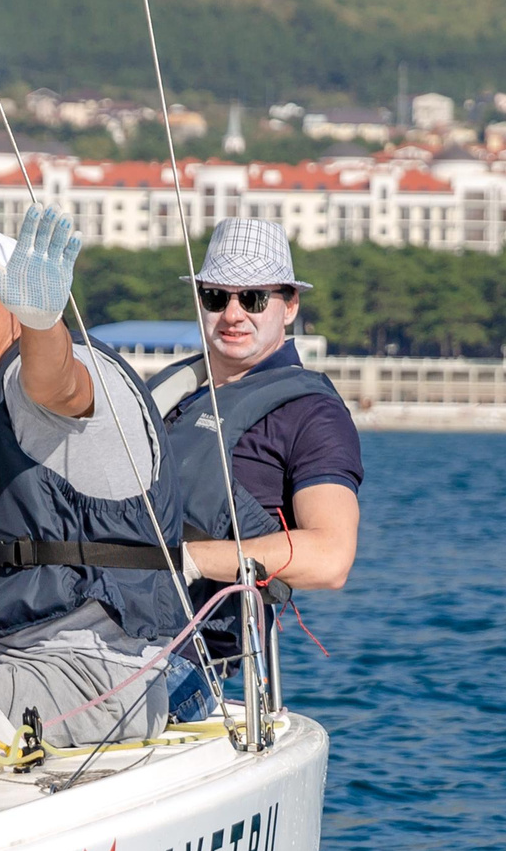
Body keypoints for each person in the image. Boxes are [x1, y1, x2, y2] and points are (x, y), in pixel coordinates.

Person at [0, 204, 205, 747]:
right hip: (14, 653)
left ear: (15, 304)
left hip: (102, 676)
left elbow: (60, 386)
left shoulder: (30, 375)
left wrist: (44, 321)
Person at [149, 219, 363, 604]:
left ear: (290, 305)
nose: (232, 314)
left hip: (197, 645)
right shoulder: (175, 394)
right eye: (215, 297)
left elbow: (331, 557)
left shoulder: (313, 416)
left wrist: (190, 560)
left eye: (253, 298)